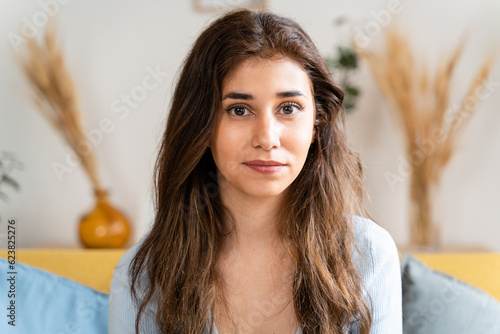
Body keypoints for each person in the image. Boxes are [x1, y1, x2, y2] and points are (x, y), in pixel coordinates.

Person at [108, 8, 402, 334]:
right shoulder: (142, 277)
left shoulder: (369, 255)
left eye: (288, 108)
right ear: (201, 125)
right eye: (239, 109)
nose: (267, 138)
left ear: (316, 123)